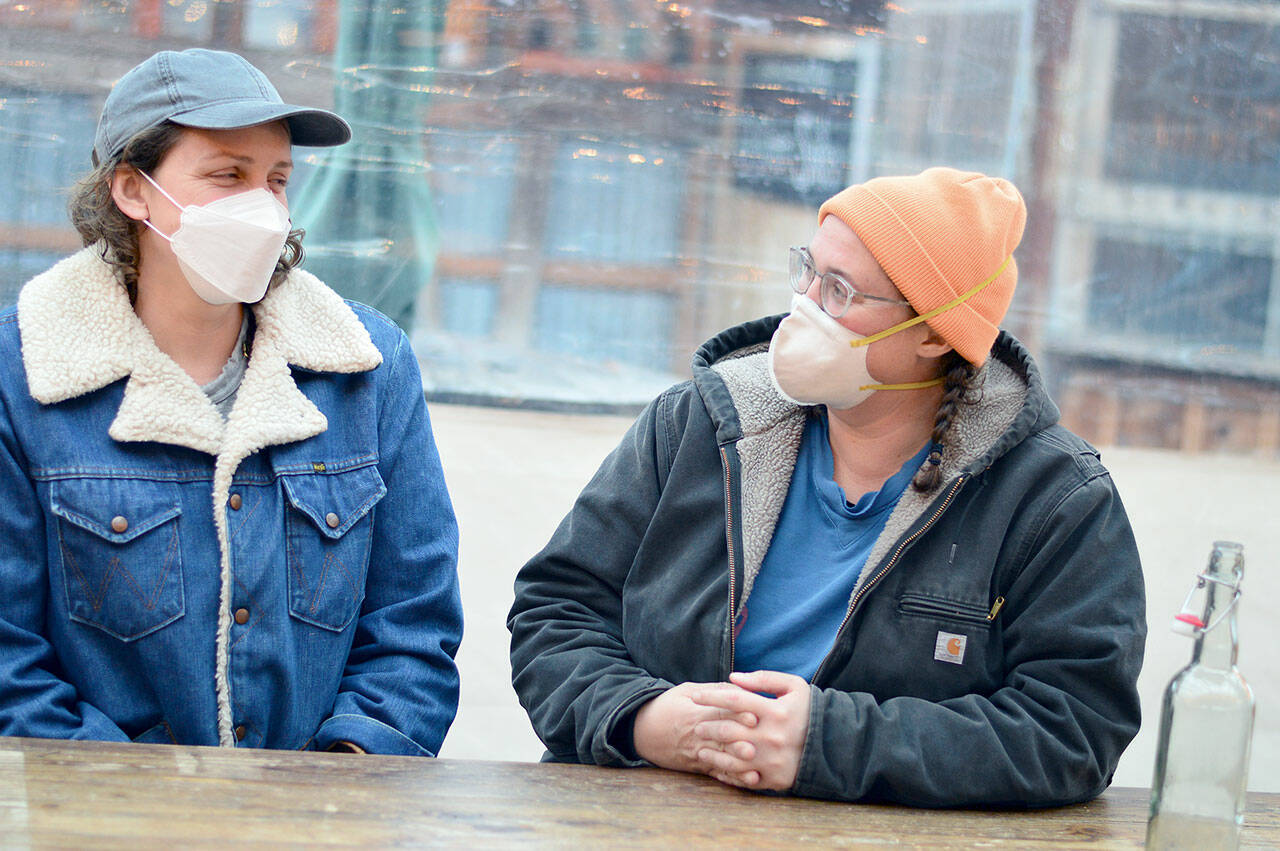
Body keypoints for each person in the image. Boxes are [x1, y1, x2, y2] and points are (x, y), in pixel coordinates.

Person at [508, 167, 1146, 806]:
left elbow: (1075, 730)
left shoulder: (1053, 498)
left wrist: (827, 744)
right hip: (642, 820)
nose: (805, 306)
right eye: (808, 272)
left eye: (840, 290)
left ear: (933, 332)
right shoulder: (697, 427)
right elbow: (555, 609)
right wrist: (645, 722)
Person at [0, 49, 463, 756]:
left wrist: (338, 785)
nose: (264, 209)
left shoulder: (370, 366)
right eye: (229, 175)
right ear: (132, 188)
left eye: (277, 179)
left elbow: (413, 626)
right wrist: (135, 809)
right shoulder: (20, 373)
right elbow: (9, 659)